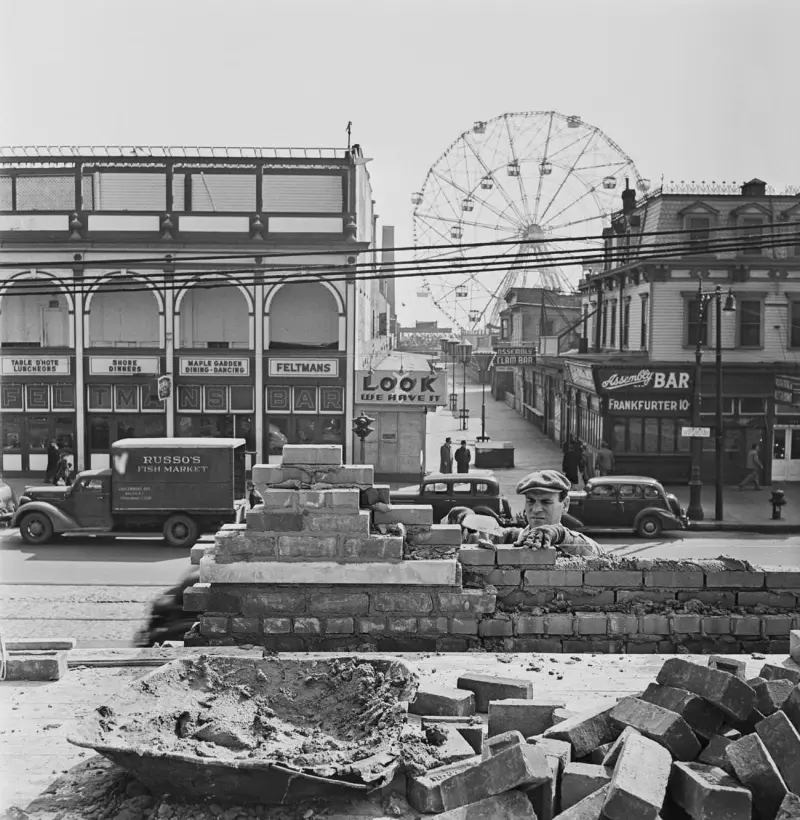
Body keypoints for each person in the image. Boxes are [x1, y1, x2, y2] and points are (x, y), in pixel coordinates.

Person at [479, 470, 605, 557]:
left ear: (565, 505)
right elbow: (481, 536)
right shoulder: (512, 538)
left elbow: (599, 554)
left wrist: (560, 535)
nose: (536, 509)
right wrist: (466, 518)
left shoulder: (572, 543)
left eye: (546, 502)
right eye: (530, 501)